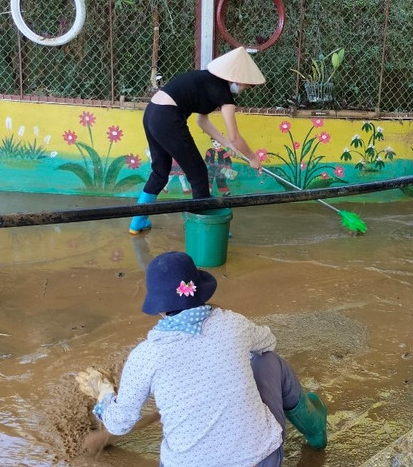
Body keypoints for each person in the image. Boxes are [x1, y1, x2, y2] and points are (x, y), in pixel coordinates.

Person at [91, 251, 327, 467]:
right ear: (200, 292)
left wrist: (103, 392)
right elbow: (268, 341)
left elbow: (119, 424)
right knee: (268, 360)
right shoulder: (232, 324)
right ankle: (315, 429)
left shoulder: (145, 355)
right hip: (259, 460)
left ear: (159, 308)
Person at [129, 47, 264, 234]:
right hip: (168, 118)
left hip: (152, 113)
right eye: (246, 85)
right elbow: (235, 136)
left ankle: (137, 222)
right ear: (237, 78)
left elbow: (203, 122)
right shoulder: (224, 94)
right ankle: (204, 231)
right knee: (199, 174)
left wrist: (226, 144)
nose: (245, 89)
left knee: (160, 171)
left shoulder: (207, 80)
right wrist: (253, 158)